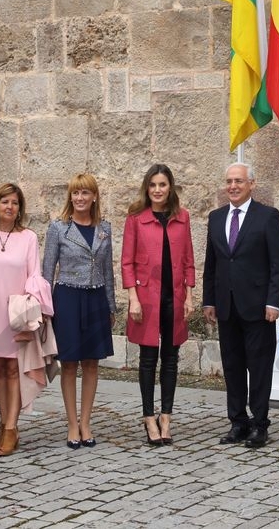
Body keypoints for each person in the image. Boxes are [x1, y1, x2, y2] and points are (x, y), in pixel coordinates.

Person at [203, 163, 279, 448]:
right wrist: (209, 301)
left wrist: (274, 302)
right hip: (226, 306)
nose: (233, 186)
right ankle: (238, 422)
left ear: (252, 183)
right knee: (233, 366)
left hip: (258, 307)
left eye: (239, 181)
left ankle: (260, 424)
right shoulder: (216, 218)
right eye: (228, 181)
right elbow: (211, 265)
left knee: (259, 367)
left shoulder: (267, 217)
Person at [121, 163, 196, 446]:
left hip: (174, 297)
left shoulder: (182, 217)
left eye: (162, 185)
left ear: (170, 187)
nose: (157, 190)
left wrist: (189, 296)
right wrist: (133, 299)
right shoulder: (136, 219)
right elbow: (126, 262)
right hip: (146, 298)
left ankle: (166, 415)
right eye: (152, 185)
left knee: (171, 359)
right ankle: (148, 416)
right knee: (148, 359)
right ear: (147, 188)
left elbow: (188, 260)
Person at [0, 182, 53, 457]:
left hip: (18, 312)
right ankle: (3, 421)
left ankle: (11, 427)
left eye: (15, 203)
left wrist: (32, 309)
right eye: (5, 202)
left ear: (20, 208)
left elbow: (35, 274)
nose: (10, 207)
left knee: (15, 368)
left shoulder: (28, 237)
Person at [42, 173, 116, 449]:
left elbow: (108, 271)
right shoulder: (58, 229)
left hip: (96, 297)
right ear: (70, 196)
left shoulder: (104, 228)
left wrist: (111, 305)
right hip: (67, 299)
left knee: (92, 363)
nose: (80, 198)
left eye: (85, 193)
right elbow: (47, 271)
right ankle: (72, 423)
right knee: (70, 363)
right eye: (75, 193)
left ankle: (86, 421)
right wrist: (45, 309)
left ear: (94, 196)